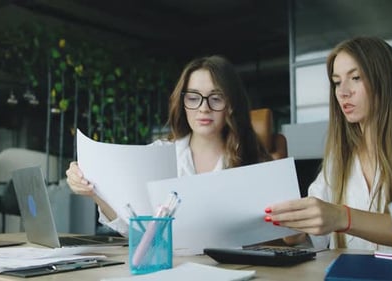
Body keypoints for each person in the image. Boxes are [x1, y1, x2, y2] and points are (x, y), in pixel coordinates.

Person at [264, 37, 392, 251]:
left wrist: (342, 217)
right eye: (337, 82)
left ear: (384, 79)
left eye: (355, 78)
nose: (343, 91)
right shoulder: (341, 152)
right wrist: (297, 231)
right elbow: (318, 233)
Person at [67, 55, 272, 235]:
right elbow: (136, 231)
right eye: (193, 98)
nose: (203, 108)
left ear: (232, 104)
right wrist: (93, 190)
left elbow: (283, 236)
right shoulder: (158, 154)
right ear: (182, 103)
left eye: (216, 98)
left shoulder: (253, 158)